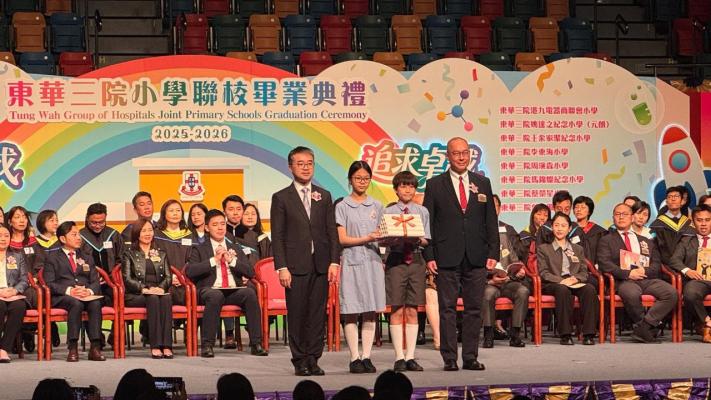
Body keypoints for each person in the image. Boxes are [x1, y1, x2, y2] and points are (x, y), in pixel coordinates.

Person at [422, 137, 499, 372]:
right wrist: (429, 255)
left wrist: (493, 251)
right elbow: (428, 223)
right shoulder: (435, 185)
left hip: (477, 255)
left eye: (465, 152)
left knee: (474, 308)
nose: (462, 157)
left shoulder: (482, 182)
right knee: (447, 309)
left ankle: (470, 357)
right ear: (448, 156)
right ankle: (449, 358)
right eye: (456, 153)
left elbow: (490, 220)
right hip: (446, 255)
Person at [271, 146, 340, 376]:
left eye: (309, 163)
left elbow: (331, 232)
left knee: (317, 315)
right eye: (300, 164)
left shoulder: (324, 195)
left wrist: (334, 261)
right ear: (290, 167)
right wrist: (282, 267)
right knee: (298, 314)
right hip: (294, 266)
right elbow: (277, 235)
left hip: (321, 265)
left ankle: (314, 358)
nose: (305, 167)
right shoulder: (281, 197)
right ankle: (300, 359)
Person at [186, 209, 268, 357]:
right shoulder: (199, 248)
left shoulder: (234, 247)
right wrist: (214, 260)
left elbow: (251, 272)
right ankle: (207, 345)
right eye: (215, 224)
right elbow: (191, 271)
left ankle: (256, 343)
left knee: (249, 293)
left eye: (222, 224)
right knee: (215, 296)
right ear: (207, 228)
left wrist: (232, 261)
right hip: (209, 289)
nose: (220, 228)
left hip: (232, 290)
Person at [598, 203, 678, 343]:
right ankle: (647, 328)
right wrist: (628, 274)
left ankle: (644, 327)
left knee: (671, 293)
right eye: (617, 214)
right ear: (613, 218)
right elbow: (605, 264)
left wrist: (644, 271)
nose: (621, 217)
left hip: (645, 279)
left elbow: (656, 264)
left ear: (632, 217)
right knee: (631, 293)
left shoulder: (645, 241)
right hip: (623, 280)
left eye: (625, 214)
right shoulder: (606, 240)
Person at [334, 161, 385, 374]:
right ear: (350, 180)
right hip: (351, 262)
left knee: (370, 311)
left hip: (373, 262)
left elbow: (383, 235)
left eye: (366, 178)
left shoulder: (377, 206)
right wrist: (367, 238)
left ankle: (367, 356)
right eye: (358, 178)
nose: (362, 182)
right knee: (351, 310)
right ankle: (354, 357)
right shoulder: (342, 206)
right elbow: (342, 239)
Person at [382, 171, 430, 371]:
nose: (407, 190)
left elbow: (427, 240)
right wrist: (392, 238)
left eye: (411, 186)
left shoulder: (422, 211)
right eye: (403, 186)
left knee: (412, 309)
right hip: (396, 259)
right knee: (396, 308)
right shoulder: (388, 211)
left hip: (416, 260)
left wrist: (417, 239)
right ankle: (399, 357)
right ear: (396, 190)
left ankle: (410, 356)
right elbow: (382, 240)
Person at [44, 221, 106, 361]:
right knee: (75, 303)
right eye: (74, 235)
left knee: (95, 303)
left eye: (78, 234)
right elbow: (49, 284)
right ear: (62, 238)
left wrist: (89, 291)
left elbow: (95, 281)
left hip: (85, 295)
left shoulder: (86, 257)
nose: (79, 238)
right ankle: (73, 347)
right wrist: (70, 290)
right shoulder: (52, 258)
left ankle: (95, 347)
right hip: (63, 297)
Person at [537, 212, 598, 345]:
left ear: (569, 229)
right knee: (563, 290)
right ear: (552, 227)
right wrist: (561, 280)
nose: (559, 229)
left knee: (590, 289)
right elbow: (543, 272)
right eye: (556, 225)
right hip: (553, 283)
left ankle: (589, 334)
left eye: (563, 226)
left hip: (574, 281)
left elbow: (584, 271)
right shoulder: (544, 249)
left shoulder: (578, 249)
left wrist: (576, 278)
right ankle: (565, 334)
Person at [122, 218, 174, 358]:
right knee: (153, 299)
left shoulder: (161, 253)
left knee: (166, 298)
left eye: (150, 230)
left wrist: (161, 288)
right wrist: (145, 289)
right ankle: (155, 345)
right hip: (136, 294)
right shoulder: (129, 254)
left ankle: (167, 345)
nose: (147, 233)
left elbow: (168, 277)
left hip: (158, 292)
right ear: (137, 233)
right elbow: (127, 279)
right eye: (143, 230)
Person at [482, 194, 529, 348]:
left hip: (508, 281)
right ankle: (488, 335)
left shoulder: (504, 233)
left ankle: (515, 335)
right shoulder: (476, 233)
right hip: (489, 282)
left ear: (499, 209)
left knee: (522, 291)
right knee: (488, 294)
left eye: (495, 206)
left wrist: (518, 270)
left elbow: (514, 259)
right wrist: (489, 279)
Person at [668, 205, 711, 342]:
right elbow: (674, 260)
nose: (703, 224)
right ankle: (707, 321)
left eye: (707, 220)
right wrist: (687, 270)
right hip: (697, 281)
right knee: (690, 294)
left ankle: (706, 328)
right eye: (699, 220)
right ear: (693, 222)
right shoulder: (686, 241)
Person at [6, 206, 44, 352]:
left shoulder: (33, 241)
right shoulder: (5, 241)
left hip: (32, 282)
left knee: (35, 294)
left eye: (24, 217)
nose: (22, 220)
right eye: (17, 217)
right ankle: (18, 334)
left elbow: (40, 262)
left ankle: (28, 332)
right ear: (10, 221)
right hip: (12, 283)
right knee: (25, 296)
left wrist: (34, 277)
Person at [0, 224, 29, 362]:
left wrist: (15, 290)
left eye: (6, 236)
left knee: (19, 307)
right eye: (0, 236)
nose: (3, 239)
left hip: (12, 294)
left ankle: (3, 349)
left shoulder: (17, 256)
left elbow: (24, 279)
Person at [650, 186, 695, 265]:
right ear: (666, 202)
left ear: (682, 201)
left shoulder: (688, 223)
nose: (673, 199)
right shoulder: (657, 224)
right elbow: (654, 248)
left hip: (687, 265)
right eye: (670, 197)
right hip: (664, 266)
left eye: (676, 196)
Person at [573, 196, 607, 265]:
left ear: (589, 211)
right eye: (576, 207)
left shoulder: (599, 232)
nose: (579, 210)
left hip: (593, 268)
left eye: (583, 207)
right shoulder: (569, 229)